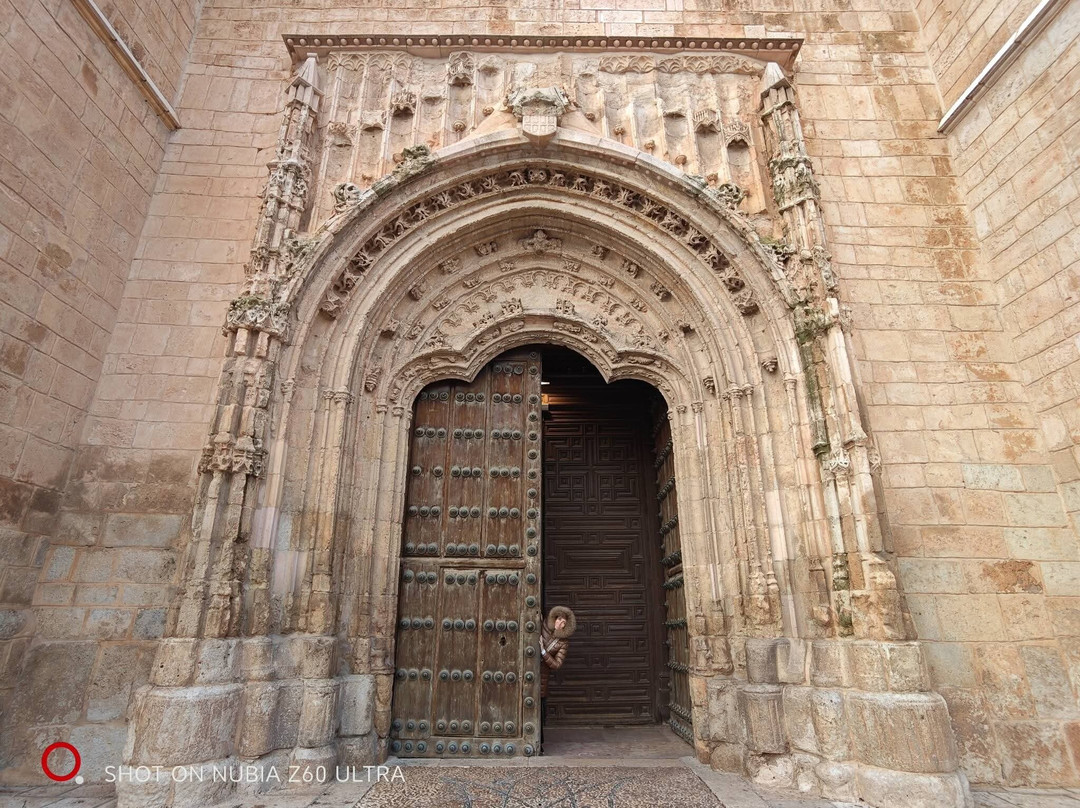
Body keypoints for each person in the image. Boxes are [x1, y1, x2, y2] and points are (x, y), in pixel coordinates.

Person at [538, 605, 576, 753]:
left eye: (564, 623)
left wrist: (543, 651)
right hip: (529, 673)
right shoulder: (543, 627)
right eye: (559, 619)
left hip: (542, 678)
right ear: (554, 618)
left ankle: (539, 743)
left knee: (539, 708)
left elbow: (556, 665)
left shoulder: (563, 643)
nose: (560, 624)